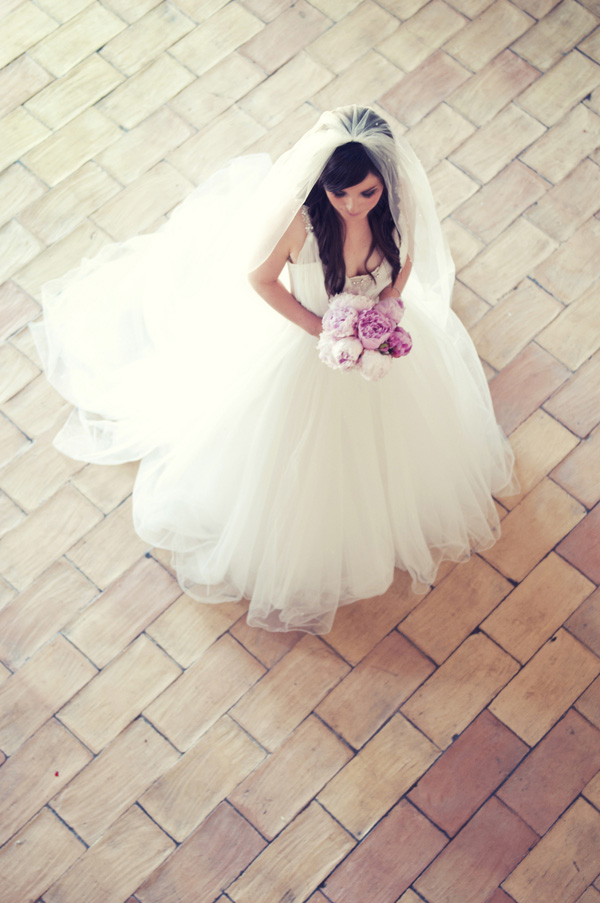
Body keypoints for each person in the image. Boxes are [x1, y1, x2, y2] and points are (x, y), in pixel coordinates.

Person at [32, 105, 516, 635]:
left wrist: (388, 308)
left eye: (367, 194)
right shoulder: (300, 226)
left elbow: (405, 263)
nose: (354, 207)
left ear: (386, 185)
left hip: (373, 346)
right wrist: (323, 331)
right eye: (341, 194)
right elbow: (260, 281)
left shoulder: (396, 214)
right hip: (307, 346)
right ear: (322, 185)